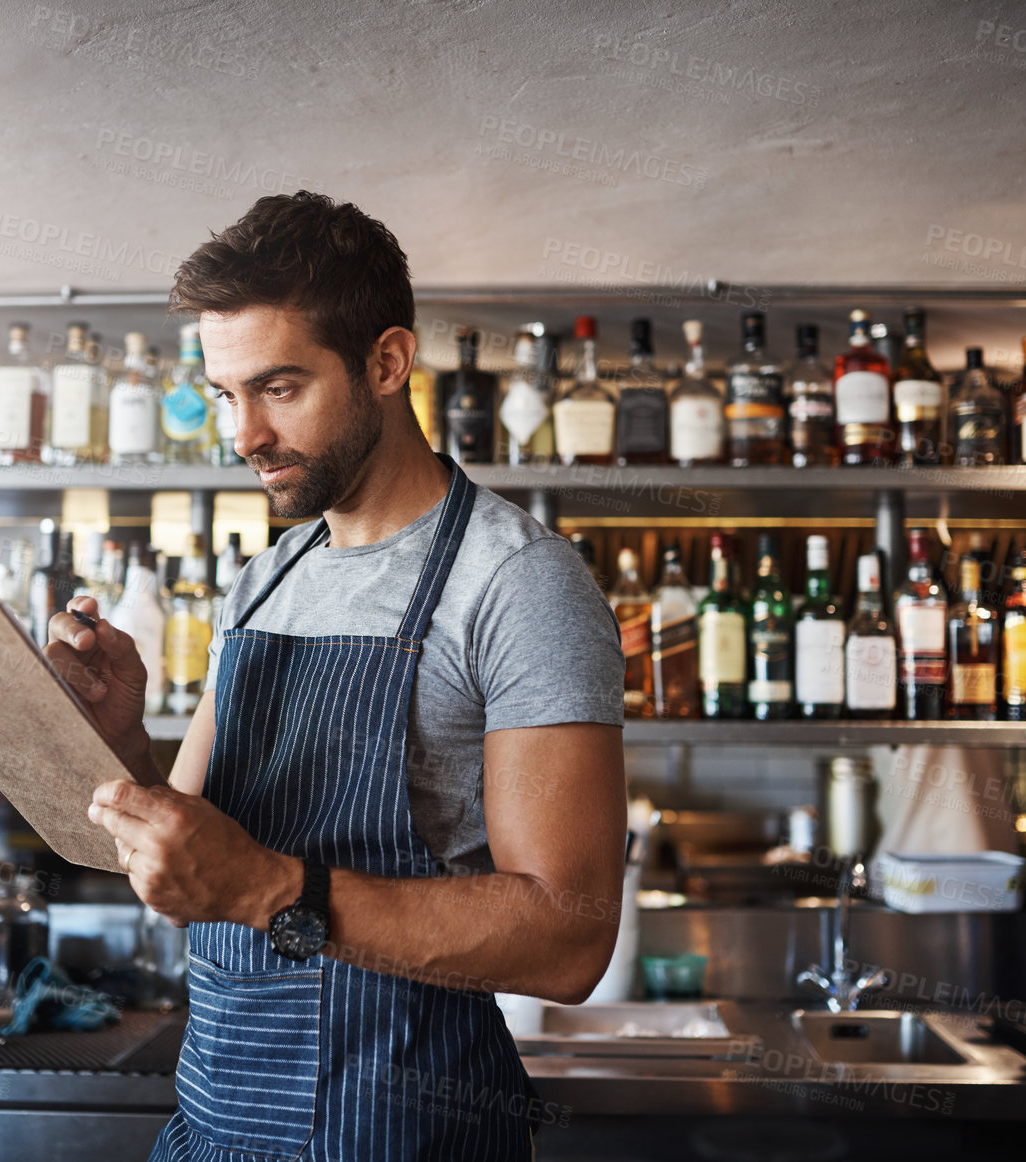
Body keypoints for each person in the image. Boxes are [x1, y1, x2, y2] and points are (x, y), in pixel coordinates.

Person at [43, 191, 627, 1161]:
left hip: (401, 1130)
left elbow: (569, 936)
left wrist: (275, 889)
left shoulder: (516, 583)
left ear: (387, 362)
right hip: (217, 1127)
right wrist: (120, 740)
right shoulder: (265, 580)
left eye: (278, 388)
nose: (244, 436)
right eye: (227, 395)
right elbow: (185, 862)